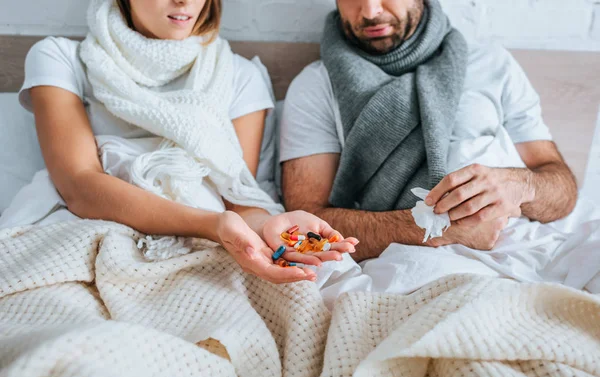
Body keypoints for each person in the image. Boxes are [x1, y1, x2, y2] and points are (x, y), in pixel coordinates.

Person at [3, 0, 357, 284]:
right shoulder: (61, 58)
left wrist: (268, 227)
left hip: (211, 237)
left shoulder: (238, 76)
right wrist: (210, 225)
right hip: (88, 225)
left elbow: (234, 199)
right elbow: (79, 184)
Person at [280, 0, 578, 263]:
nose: (370, 10)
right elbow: (304, 225)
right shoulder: (316, 86)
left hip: (522, 252)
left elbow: (562, 189)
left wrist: (520, 185)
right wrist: (437, 227)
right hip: (407, 268)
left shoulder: (490, 63)